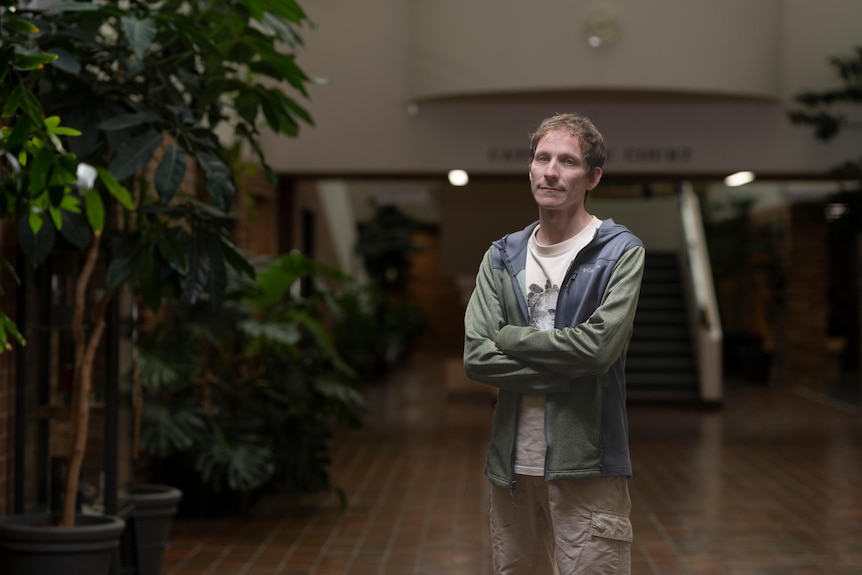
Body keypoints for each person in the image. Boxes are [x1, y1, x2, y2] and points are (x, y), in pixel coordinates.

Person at [463, 113, 645, 574]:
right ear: (530, 169)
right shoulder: (502, 256)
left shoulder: (619, 253)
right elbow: (477, 355)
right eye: (542, 158)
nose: (550, 171)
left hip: (589, 466)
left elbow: (599, 349)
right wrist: (565, 374)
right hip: (512, 470)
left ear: (593, 177)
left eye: (567, 161)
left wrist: (510, 337)